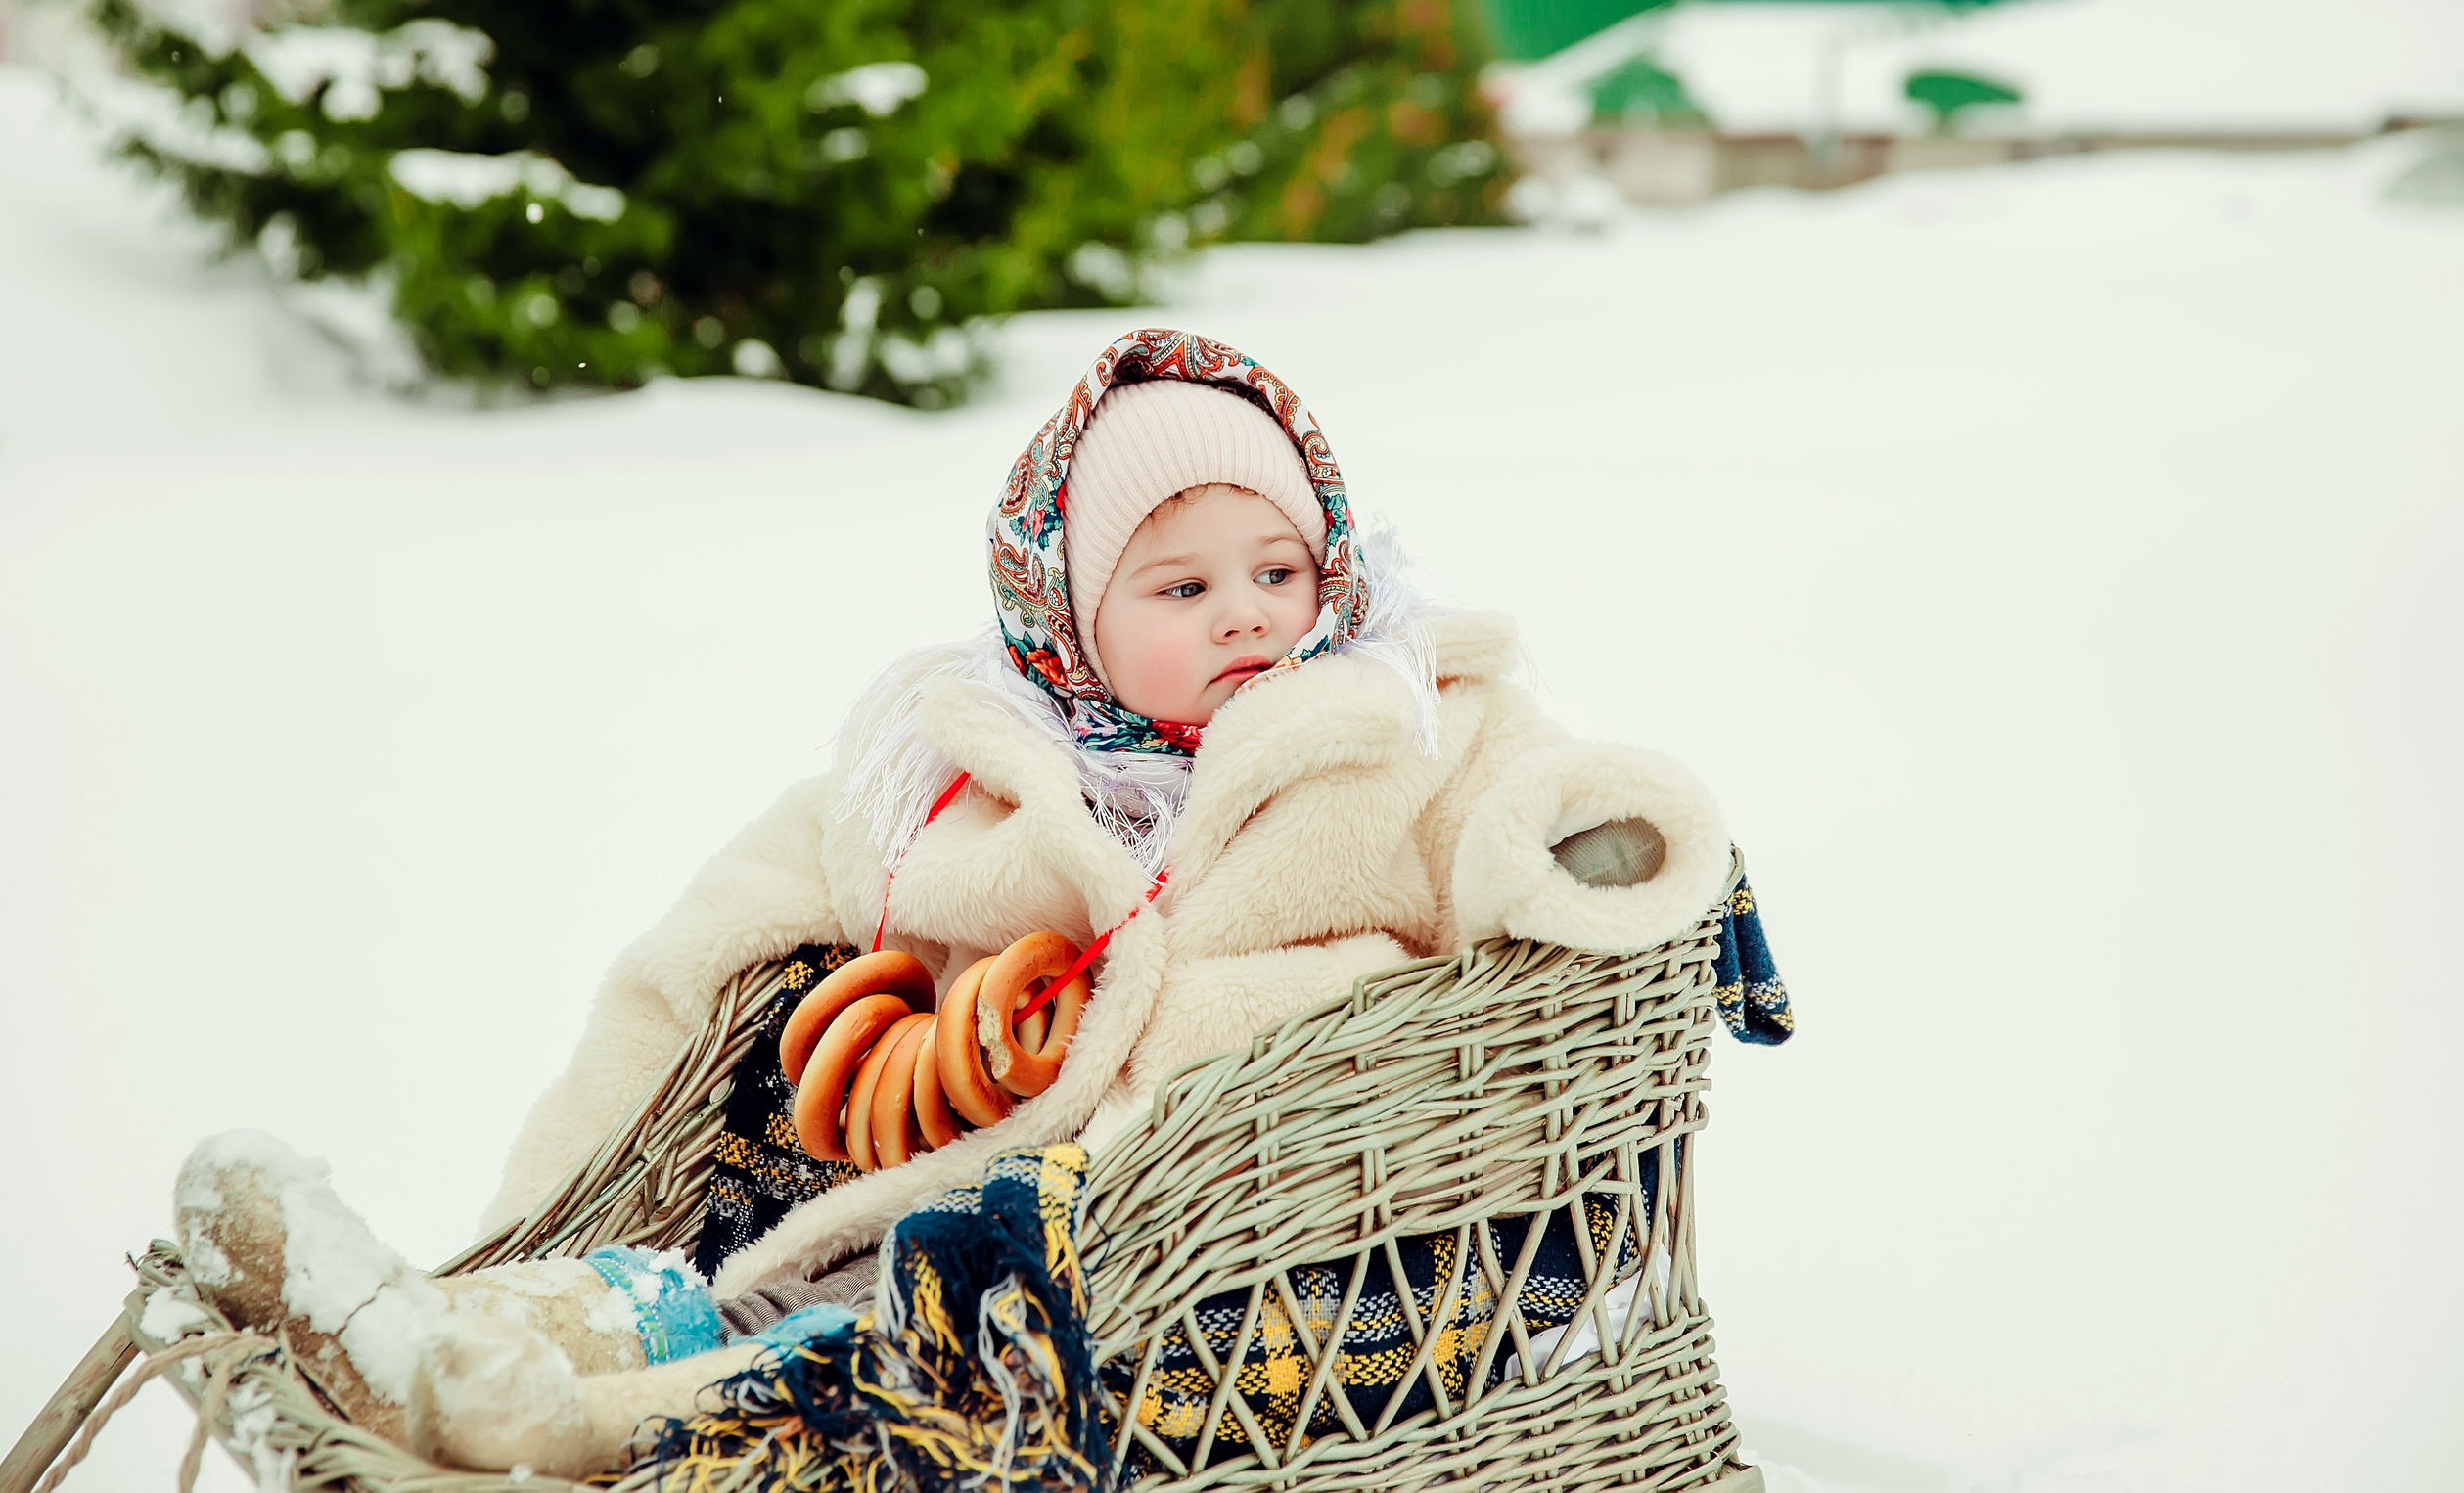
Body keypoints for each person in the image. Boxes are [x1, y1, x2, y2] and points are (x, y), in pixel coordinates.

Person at [175, 328, 1747, 1475]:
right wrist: (558, 1174)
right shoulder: (975, 769)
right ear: (1070, 615)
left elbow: (1527, 801)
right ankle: (445, 1322)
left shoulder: (1398, 722)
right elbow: (724, 928)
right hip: (934, 1171)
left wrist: (1594, 841)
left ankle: (565, 1432)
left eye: (1279, 570)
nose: (1250, 617)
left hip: (1195, 1222)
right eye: (1181, 589)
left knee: (855, 1359)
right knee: (705, 1275)